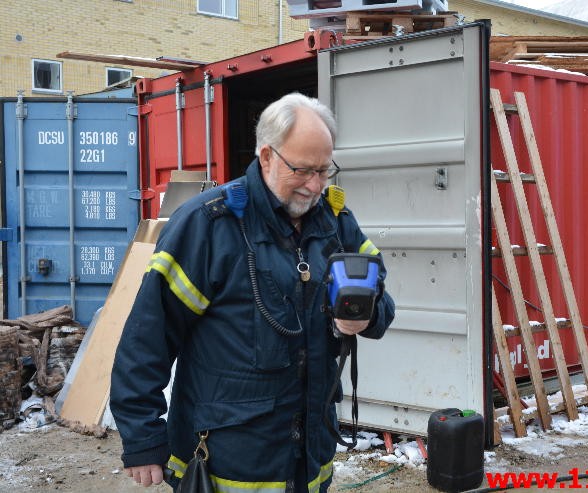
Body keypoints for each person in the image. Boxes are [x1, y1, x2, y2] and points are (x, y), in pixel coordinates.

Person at [110, 92, 395, 492]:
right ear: (266, 156)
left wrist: (366, 316)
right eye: (302, 170)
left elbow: (380, 298)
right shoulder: (207, 225)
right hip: (229, 459)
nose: (314, 186)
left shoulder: (336, 222)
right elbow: (148, 336)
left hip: (310, 457)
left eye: (324, 171)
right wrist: (142, 437)